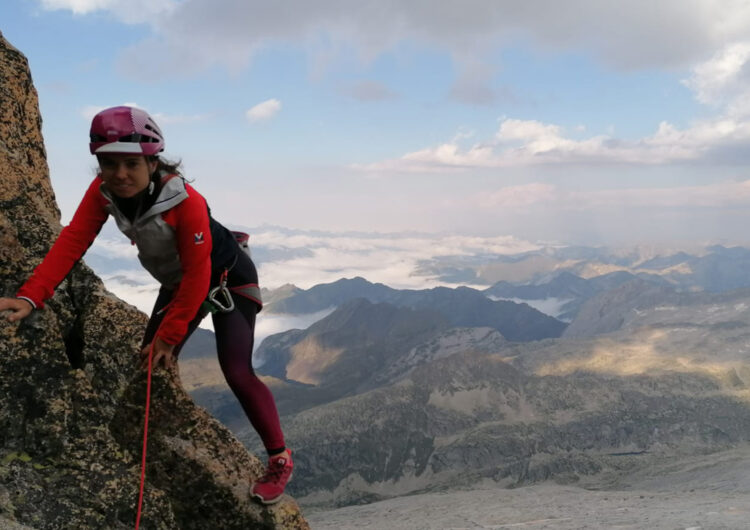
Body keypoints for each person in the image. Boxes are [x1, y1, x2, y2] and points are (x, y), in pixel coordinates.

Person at [0, 106, 293, 504]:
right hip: (179, 281)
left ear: (152, 161)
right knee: (149, 363)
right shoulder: (103, 192)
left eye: (131, 163)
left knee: (237, 371)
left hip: (227, 280)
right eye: (108, 163)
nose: (119, 174)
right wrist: (31, 295)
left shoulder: (185, 202)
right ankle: (162, 447)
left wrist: (170, 337)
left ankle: (279, 459)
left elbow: (197, 277)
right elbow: (73, 241)